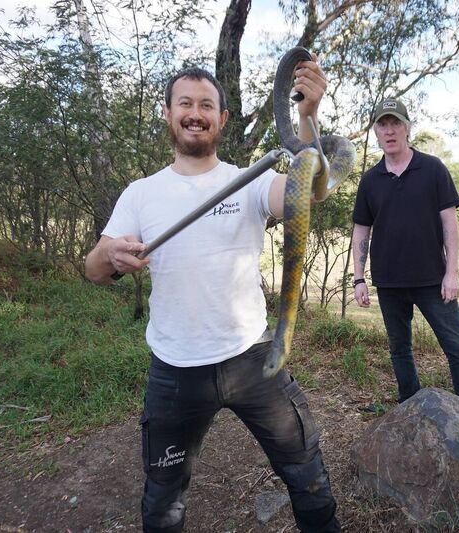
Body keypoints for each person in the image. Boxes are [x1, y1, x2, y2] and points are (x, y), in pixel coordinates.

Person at [85, 58, 340, 533]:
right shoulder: (141, 194)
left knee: (308, 477)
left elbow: (312, 188)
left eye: (207, 105)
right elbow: (94, 268)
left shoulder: (251, 182)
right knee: (163, 501)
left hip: (253, 360)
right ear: (168, 113)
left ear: (223, 119)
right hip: (175, 371)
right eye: (185, 103)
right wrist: (112, 257)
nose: (195, 112)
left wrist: (308, 116)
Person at [351, 98, 459, 409]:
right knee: (400, 349)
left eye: (395, 123)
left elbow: (450, 224)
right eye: (383, 124)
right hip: (389, 282)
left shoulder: (433, 169)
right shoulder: (370, 180)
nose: (389, 130)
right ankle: (410, 411)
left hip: (432, 280)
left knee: (456, 348)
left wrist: (452, 273)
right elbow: (361, 230)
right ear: (376, 132)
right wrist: (358, 278)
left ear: (407, 128)